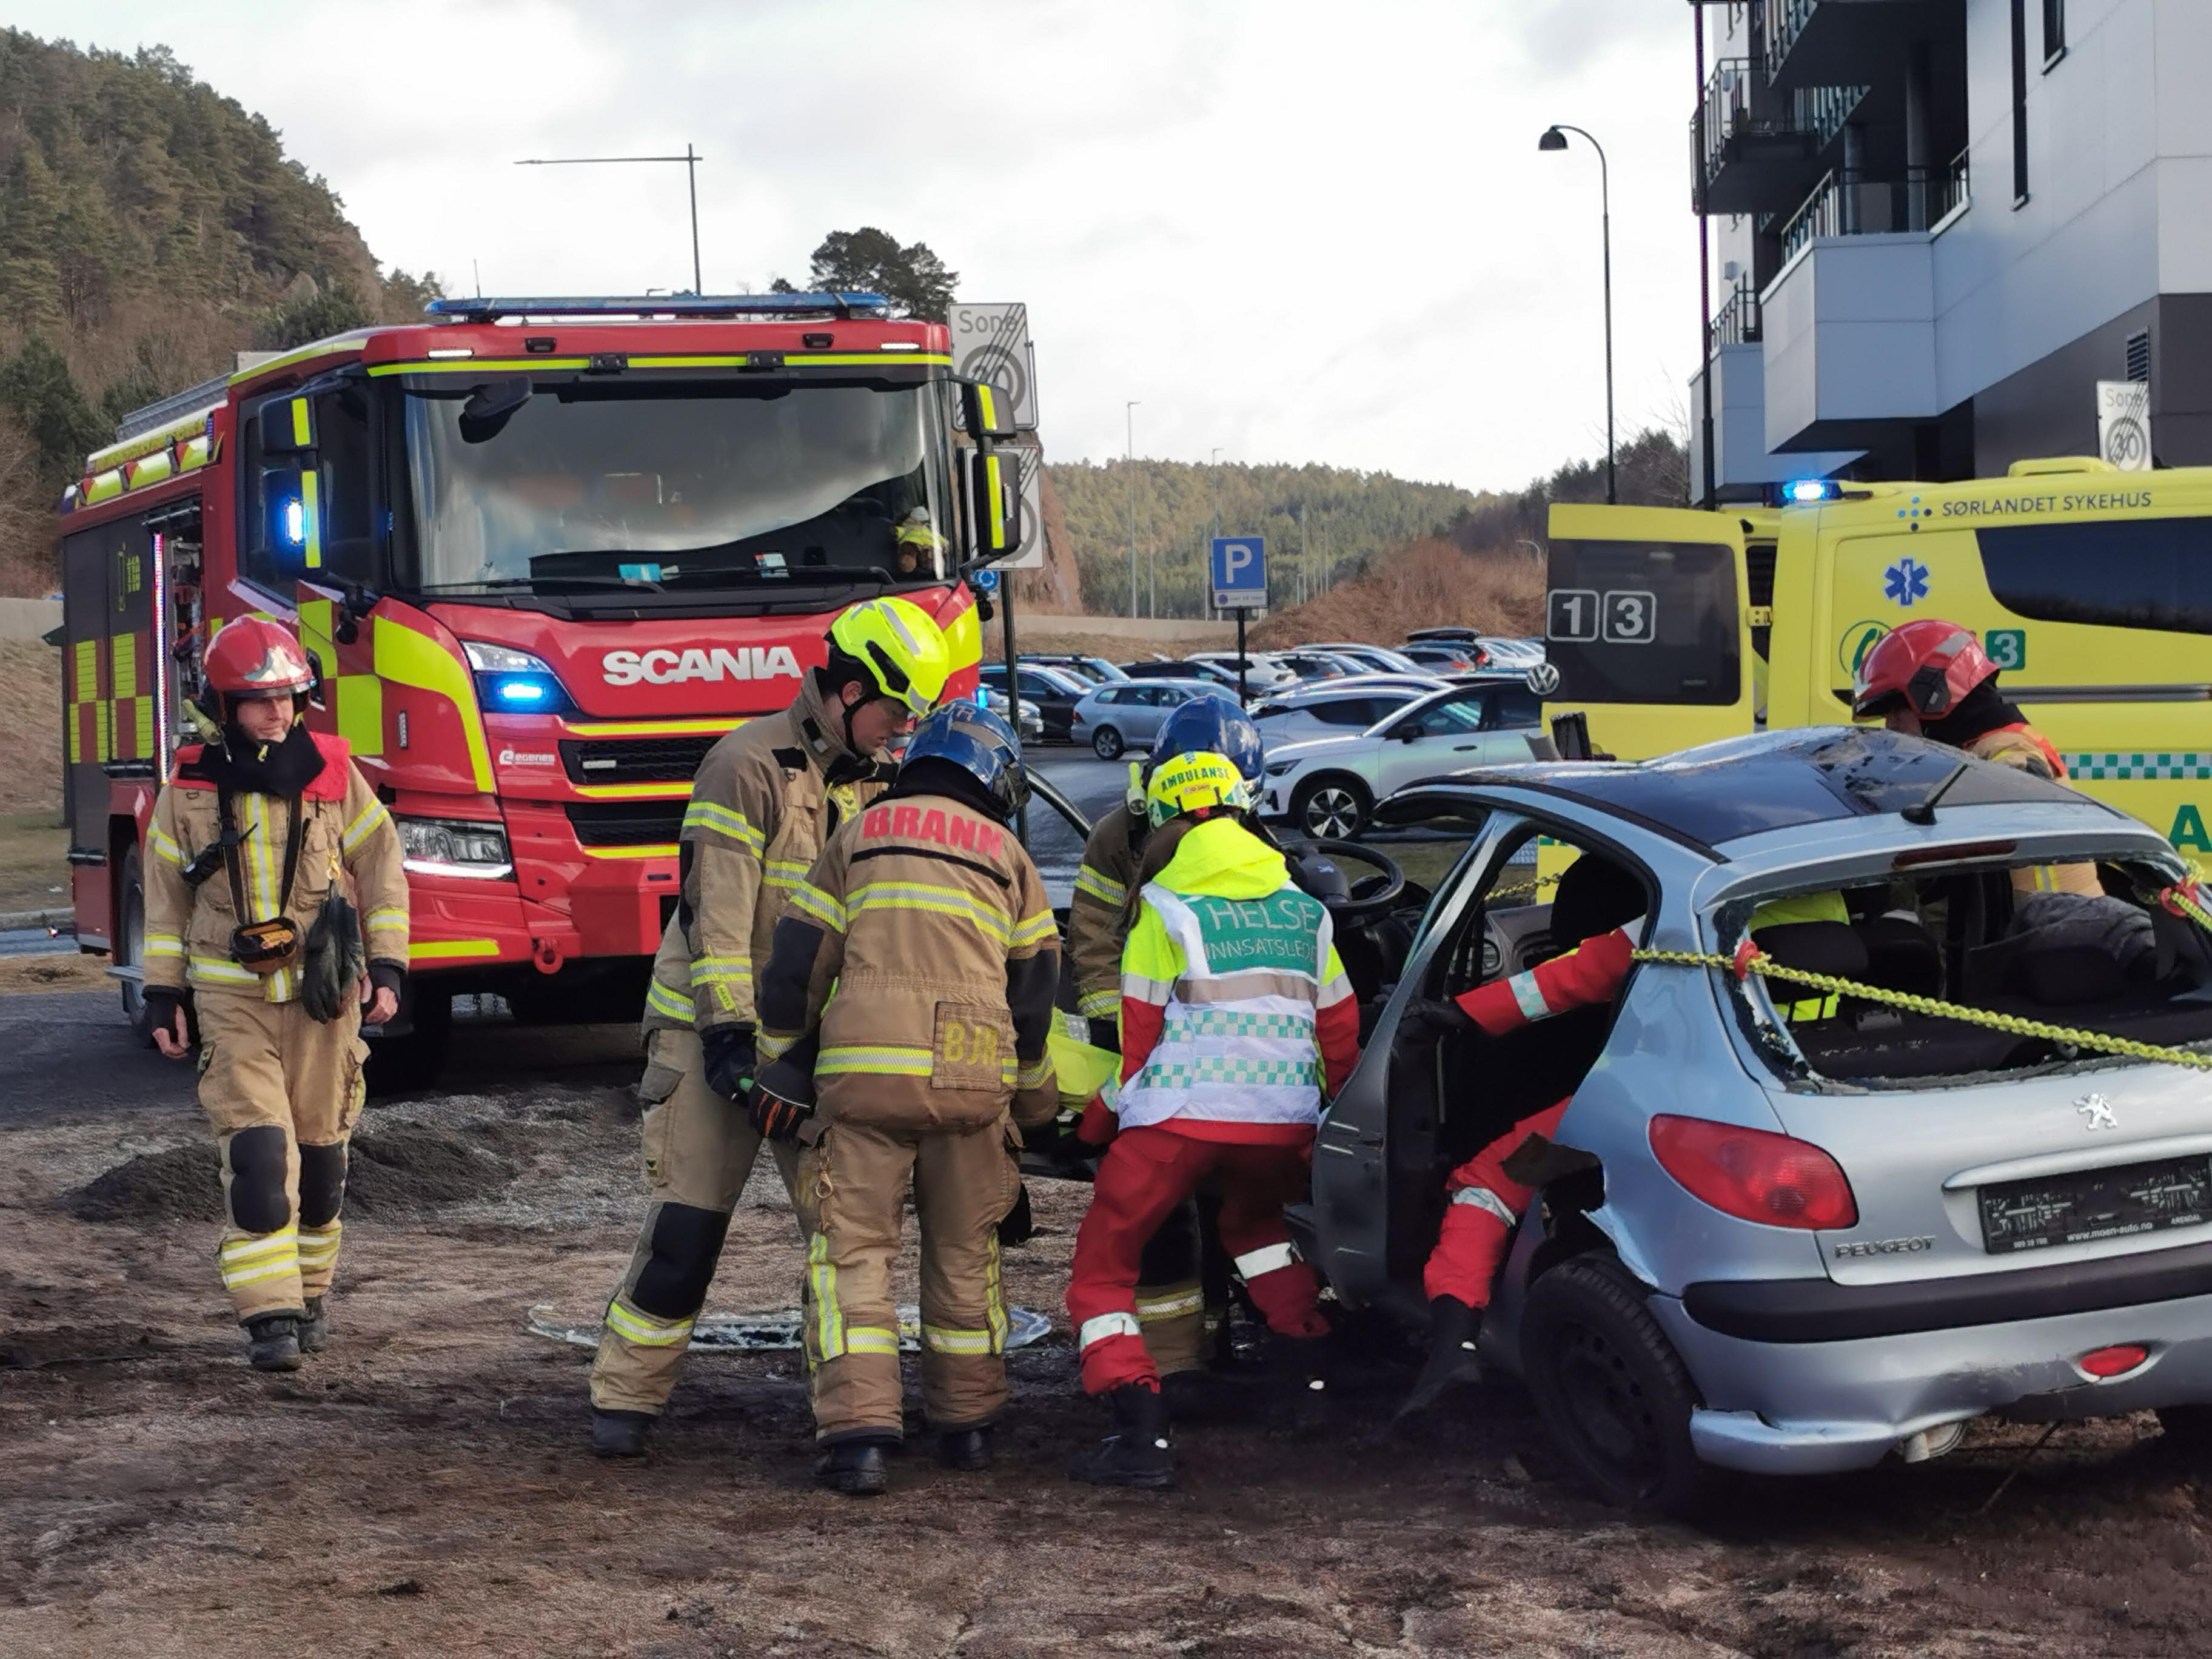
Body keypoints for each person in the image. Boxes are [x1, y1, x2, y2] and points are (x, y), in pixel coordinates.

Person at [587, 596, 950, 1458]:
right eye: (895, 713)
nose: (901, 734)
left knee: (842, 1240)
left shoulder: (876, 786)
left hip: (812, 1048)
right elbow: (717, 913)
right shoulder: (744, 766)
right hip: (709, 1034)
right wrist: (726, 1037)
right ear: (852, 688)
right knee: (687, 1230)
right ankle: (624, 1403)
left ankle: (855, 1424)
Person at [1395, 860, 1848, 1413]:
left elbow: (1571, 979)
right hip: (1814, 1092)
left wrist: (1459, 1014)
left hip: (1665, 1101)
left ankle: (1453, 1344)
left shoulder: (1699, 910)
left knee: (1488, 1179)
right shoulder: (1833, 898)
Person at [752, 700, 1060, 1495]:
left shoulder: (860, 836)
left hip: (862, 1085)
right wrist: (1031, 1117)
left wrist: (786, 1056)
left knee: (853, 1257)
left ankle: (858, 1441)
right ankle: (968, 1429)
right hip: (970, 1085)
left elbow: (795, 963)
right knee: (966, 1254)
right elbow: (1032, 1002)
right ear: (995, 776)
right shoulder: (1009, 857)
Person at [1064, 748, 1361, 1489]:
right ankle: (1315, 1386)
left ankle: (1140, 1433)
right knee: (1256, 1235)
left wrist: (1094, 1127)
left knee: (1102, 1270)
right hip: (1284, 1126)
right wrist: (1322, 1123)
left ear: (1163, 820)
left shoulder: (1163, 911)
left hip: (1178, 1128)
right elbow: (1340, 1036)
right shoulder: (1308, 911)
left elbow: (1137, 1053)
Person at [141, 615, 407, 1372]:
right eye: (260, 701)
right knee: (260, 1159)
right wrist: (164, 995)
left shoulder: (333, 773)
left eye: (290, 698)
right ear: (221, 706)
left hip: (325, 1003)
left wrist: (388, 966)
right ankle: (270, 1317)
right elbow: (164, 902)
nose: (279, 713)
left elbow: (383, 868)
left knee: (322, 1165)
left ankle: (311, 1292)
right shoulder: (189, 787)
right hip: (232, 1002)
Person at [1060, 696, 1269, 1398]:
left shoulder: (1255, 840)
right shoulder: (1118, 837)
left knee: (1221, 1201)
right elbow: (1093, 937)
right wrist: (1118, 1034)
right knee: (1159, 1207)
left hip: (1222, 1046)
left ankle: (1212, 1340)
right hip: (1144, 1043)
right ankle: (1174, 1361)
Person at [1850, 618, 2099, 895]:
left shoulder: (2009, 746)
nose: (1891, 726)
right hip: (2026, 926)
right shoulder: (1966, 750)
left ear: (1937, 695)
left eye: (1898, 710)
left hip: (2057, 926)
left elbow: (2021, 781)